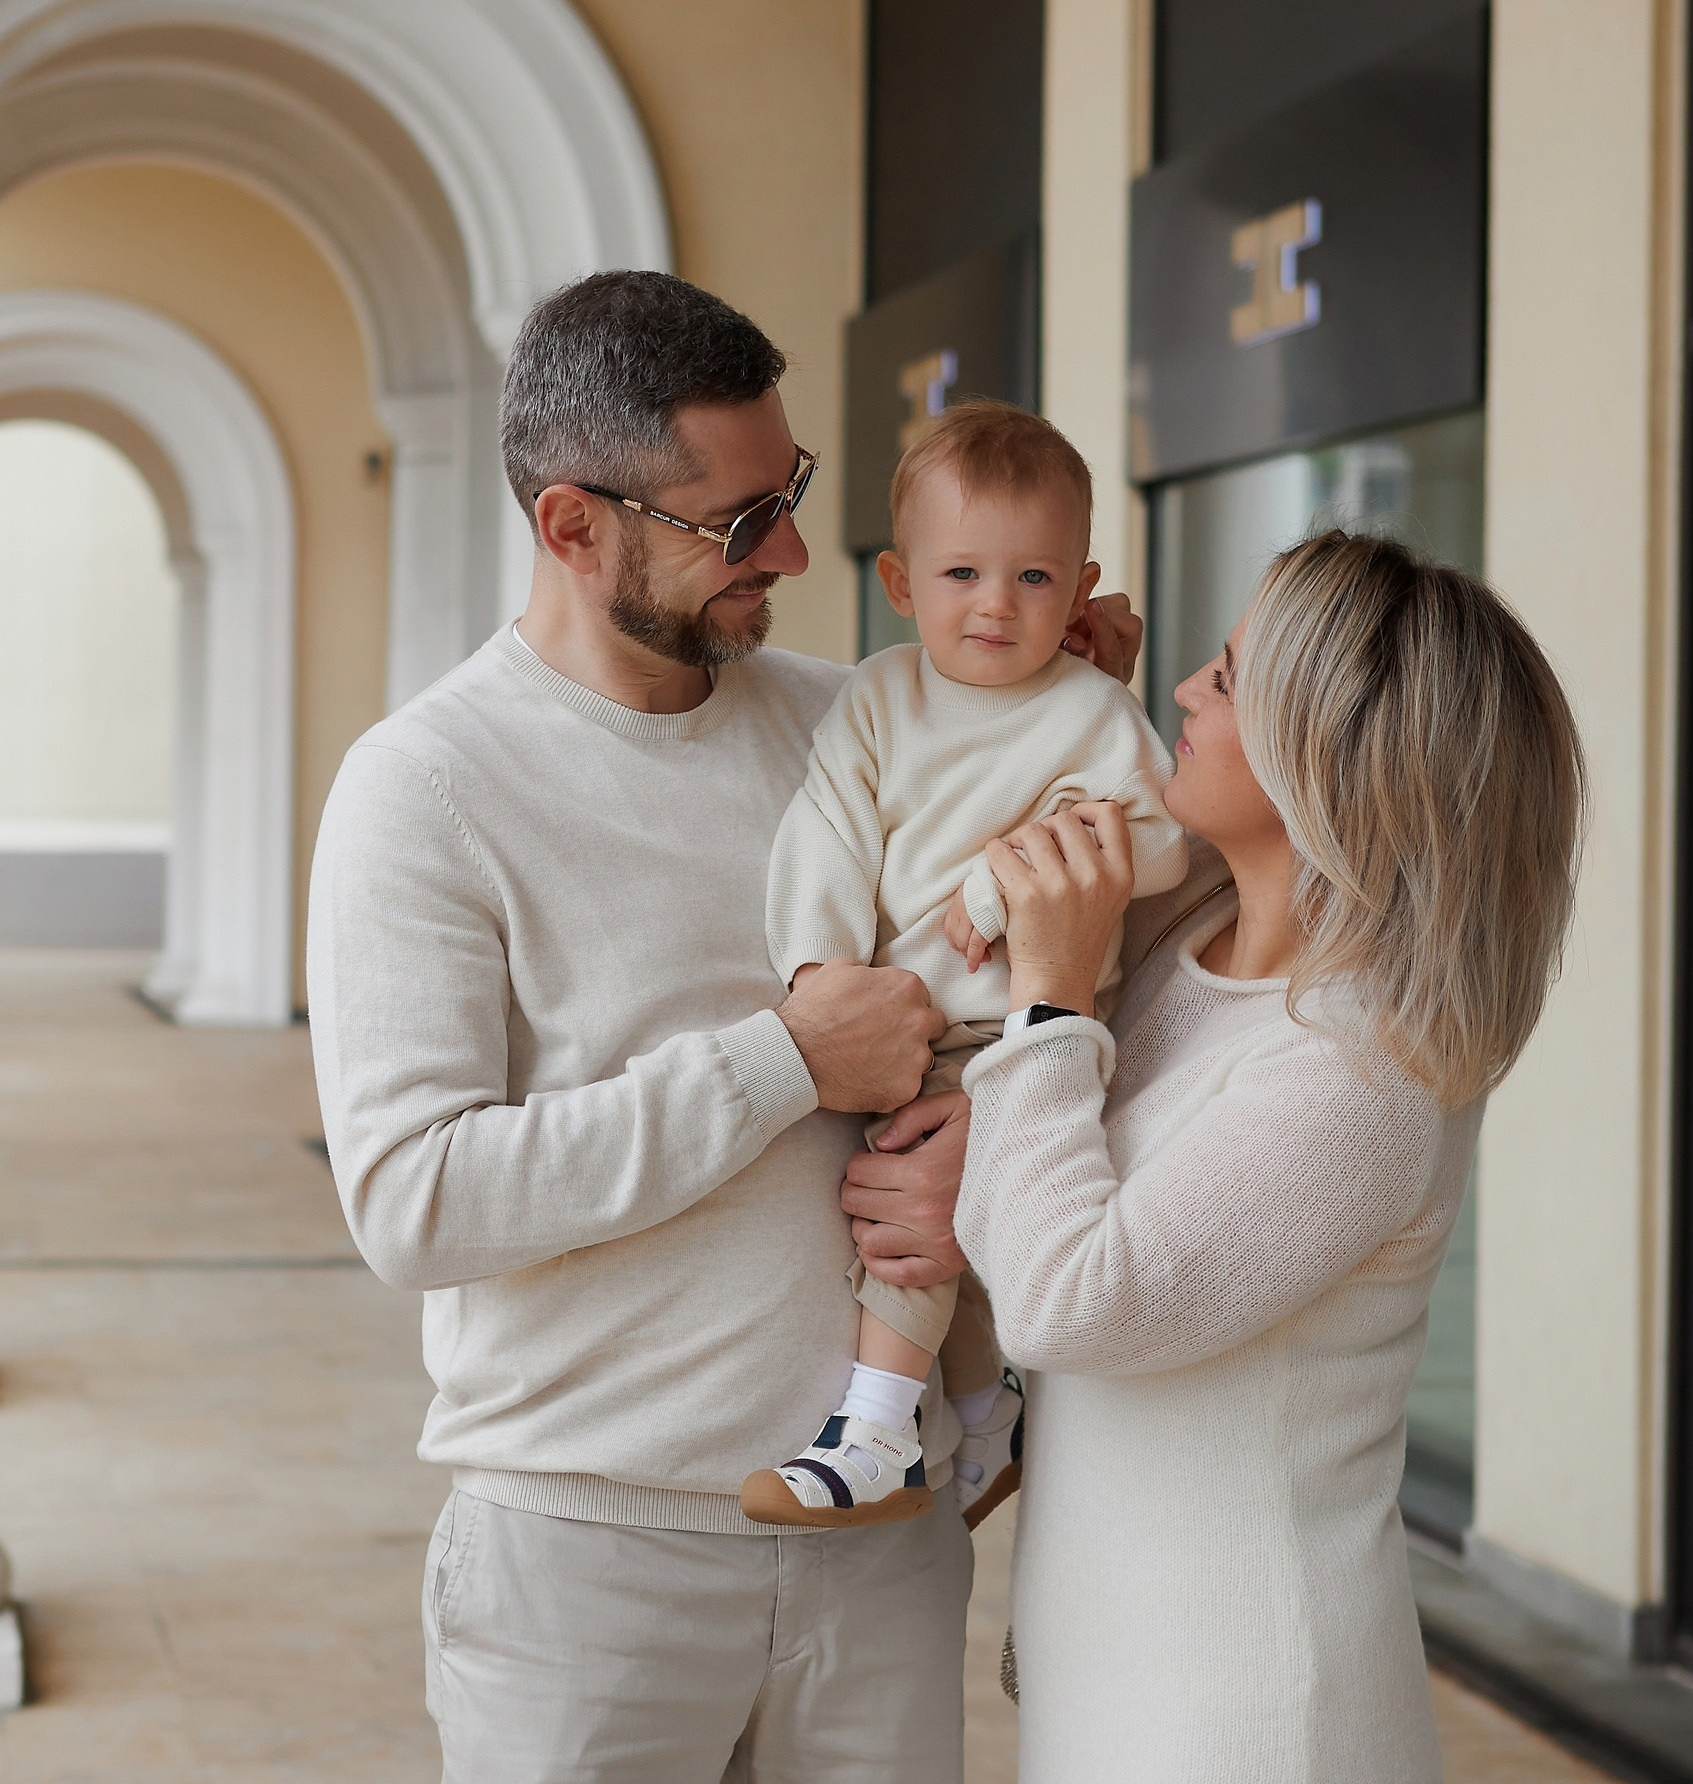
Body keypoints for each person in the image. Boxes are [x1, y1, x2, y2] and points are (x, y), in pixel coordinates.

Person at [306, 269, 1139, 1782]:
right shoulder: (423, 787)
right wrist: (782, 1065)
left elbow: (1061, 982)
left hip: (881, 1542)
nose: (799, 551)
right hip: (585, 1558)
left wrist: (983, 1135)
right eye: (739, 522)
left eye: (793, 490)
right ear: (574, 526)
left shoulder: (869, 719)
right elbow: (413, 1200)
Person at [955, 531, 1586, 1781]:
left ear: (1328, 754)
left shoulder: (1364, 1067)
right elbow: (1018, 1193)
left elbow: (1060, 1297)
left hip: (1244, 1720)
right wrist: (1072, 706)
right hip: (1116, 1676)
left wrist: (1048, 1001)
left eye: (1230, 678)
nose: (1183, 689)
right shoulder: (1189, 942)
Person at [743, 401, 1186, 1532]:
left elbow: (1155, 838)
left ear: (1080, 586)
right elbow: (828, 828)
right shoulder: (879, 695)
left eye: (1035, 579)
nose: (996, 604)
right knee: (936, 1222)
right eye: (961, 574)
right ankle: (987, 1412)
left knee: (908, 1212)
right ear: (899, 582)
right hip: (889, 1016)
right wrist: (819, 973)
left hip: (1008, 1024)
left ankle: (879, 1425)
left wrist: (1002, 880)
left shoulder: (1093, 712)